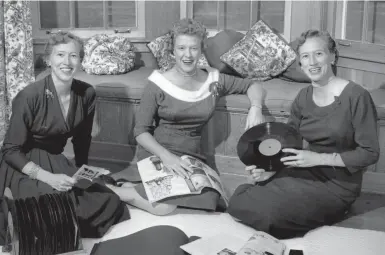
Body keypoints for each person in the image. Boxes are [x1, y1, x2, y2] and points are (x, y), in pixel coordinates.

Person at [0, 31, 132, 248]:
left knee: (106, 204)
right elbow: (11, 150)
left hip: (53, 158)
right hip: (21, 163)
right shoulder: (29, 96)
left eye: (73, 56)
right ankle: (14, 218)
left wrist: (82, 169)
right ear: (48, 60)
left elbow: (82, 138)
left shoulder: (86, 93)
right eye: (60, 55)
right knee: (49, 213)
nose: (67, 62)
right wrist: (48, 178)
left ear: (81, 60)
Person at [227, 29, 379, 239]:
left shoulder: (356, 96)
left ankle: (327, 208)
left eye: (319, 54)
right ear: (301, 63)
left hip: (337, 185)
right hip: (303, 173)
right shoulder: (303, 96)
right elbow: (289, 144)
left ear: (333, 56)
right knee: (237, 202)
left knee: (270, 216)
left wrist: (318, 158)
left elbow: (370, 153)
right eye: (305, 57)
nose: (312, 62)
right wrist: (269, 172)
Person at [123, 18, 265, 215]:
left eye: (193, 48)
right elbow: (140, 131)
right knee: (164, 208)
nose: (187, 55)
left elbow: (252, 85)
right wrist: (168, 157)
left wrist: (256, 108)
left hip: (192, 156)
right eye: (181, 48)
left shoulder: (214, 81)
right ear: (173, 50)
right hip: (159, 153)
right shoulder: (157, 84)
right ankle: (116, 191)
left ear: (201, 50)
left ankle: (133, 189)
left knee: (213, 200)